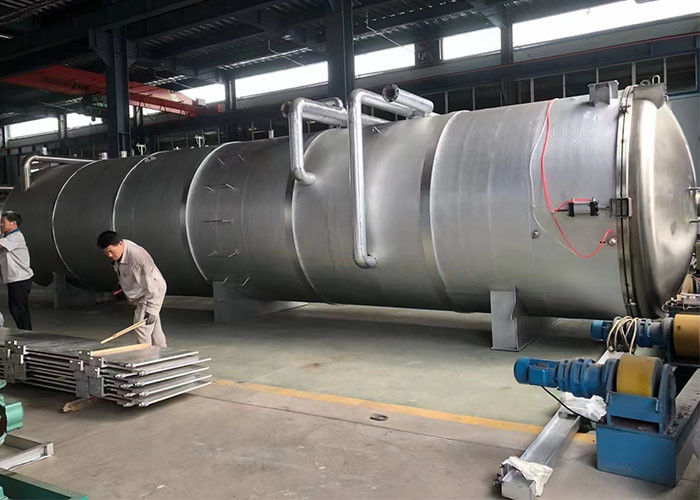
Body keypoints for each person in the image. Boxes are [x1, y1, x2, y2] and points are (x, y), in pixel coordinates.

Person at [97, 231, 167, 347]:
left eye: (110, 251)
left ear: (120, 244)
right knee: (154, 328)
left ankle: (145, 355)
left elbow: (153, 286)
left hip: (150, 294)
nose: (109, 255)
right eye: (106, 252)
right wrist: (121, 287)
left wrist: (152, 309)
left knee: (142, 329)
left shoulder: (139, 258)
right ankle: (163, 352)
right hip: (142, 290)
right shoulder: (121, 250)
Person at [0, 212, 34, 330]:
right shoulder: (5, 237)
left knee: (19, 309)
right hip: (13, 279)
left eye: (3, 222)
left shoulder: (16, 237)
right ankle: (24, 332)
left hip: (21, 279)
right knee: (15, 308)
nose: (1, 225)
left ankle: (27, 334)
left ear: (14, 223)